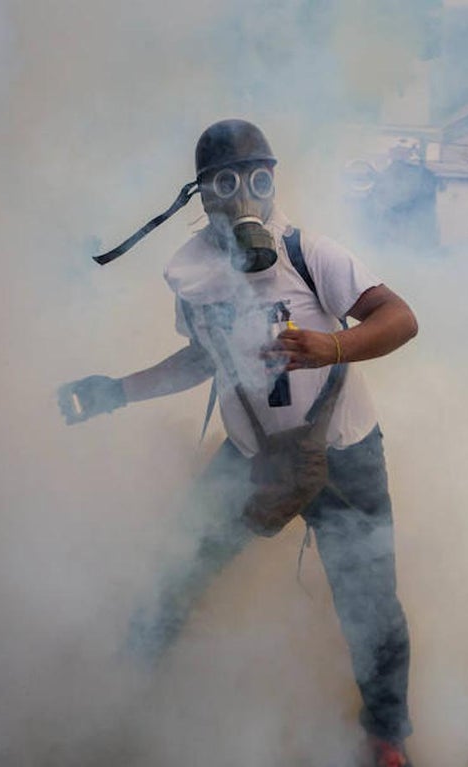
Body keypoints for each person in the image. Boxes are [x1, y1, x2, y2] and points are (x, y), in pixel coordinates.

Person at [58, 119, 420, 767]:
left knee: (371, 606)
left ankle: (385, 741)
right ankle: (116, 696)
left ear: (274, 180)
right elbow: (201, 359)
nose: (244, 197)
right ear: (202, 195)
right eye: (226, 184)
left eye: (257, 179)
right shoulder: (195, 279)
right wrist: (117, 391)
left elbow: (400, 318)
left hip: (344, 453)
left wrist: (332, 346)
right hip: (253, 456)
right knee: (178, 565)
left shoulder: (312, 254)